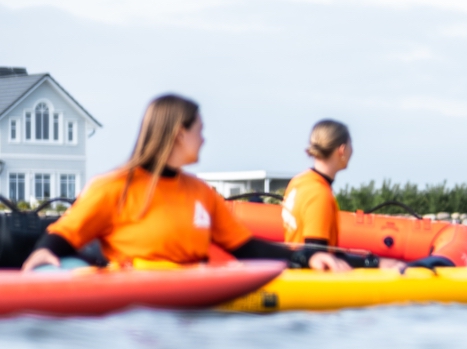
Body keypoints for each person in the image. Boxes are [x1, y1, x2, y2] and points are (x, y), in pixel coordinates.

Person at [21, 94, 348, 272]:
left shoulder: (200, 193)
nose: (204, 139)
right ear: (180, 134)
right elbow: (64, 234)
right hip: (130, 315)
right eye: (200, 130)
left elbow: (246, 248)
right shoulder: (113, 187)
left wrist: (305, 258)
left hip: (192, 309)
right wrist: (41, 256)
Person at [281, 119, 404, 269]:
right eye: (351, 145)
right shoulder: (319, 194)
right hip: (309, 283)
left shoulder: (298, 181)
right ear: (342, 150)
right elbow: (318, 257)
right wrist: (375, 263)